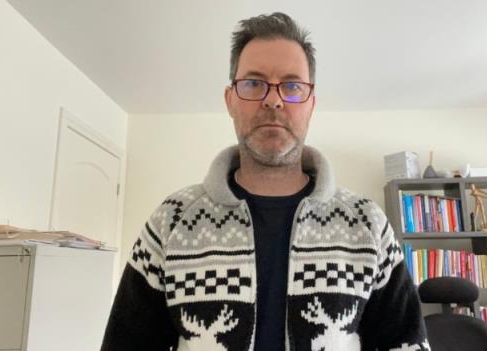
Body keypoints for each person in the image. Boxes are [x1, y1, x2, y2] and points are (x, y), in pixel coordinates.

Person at [101, 12, 429, 351]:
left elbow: (408, 344)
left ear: (311, 105)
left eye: (292, 86)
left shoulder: (368, 223)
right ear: (230, 100)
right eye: (254, 83)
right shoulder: (170, 221)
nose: (273, 100)